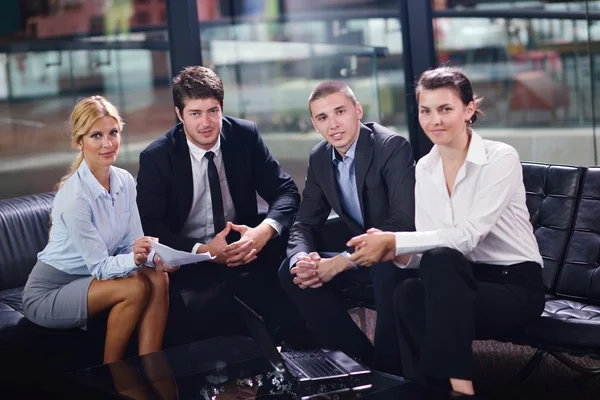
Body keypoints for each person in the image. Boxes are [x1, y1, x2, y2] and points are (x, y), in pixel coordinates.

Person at [347, 67, 545, 395]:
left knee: (441, 261)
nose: (434, 120)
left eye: (445, 109)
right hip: (453, 284)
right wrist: (391, 250)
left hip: (513, 287)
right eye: (426, 111)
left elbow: (467, 237)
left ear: (469, 110)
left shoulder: (500, 158)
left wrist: (394, 239)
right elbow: (430, 244)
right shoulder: (425, 167)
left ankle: (461, 389)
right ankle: (426, 390)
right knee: (407, 294)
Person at [136, 66, 301, 344]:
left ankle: (306, 365)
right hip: (189, 258)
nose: (206, 123)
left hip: (244, 250)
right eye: (195, 113)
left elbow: (286, 191)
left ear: (222, 107)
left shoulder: (244, 136)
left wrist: (261, 233)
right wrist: (205, 251)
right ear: (179, 114)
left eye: (213, 111)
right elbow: (150, 225)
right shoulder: (157, 157)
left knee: (293, 260)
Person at [22, 96, 177, 364]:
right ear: (79, 142)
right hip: (50, 292)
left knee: (157, 276)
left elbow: (133, 242)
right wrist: (138, 258)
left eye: (113, 133)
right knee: (135, 287)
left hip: (91, 280)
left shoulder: (125, 180)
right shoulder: (75, 197)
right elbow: (101, 267)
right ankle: (113, 375)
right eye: (96, 135)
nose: (108, 143)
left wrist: (158, 257)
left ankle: (153, 365)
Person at [278, 81, 416, 375]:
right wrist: (302, 258)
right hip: (363, 258)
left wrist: (340, 262)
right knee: (290, 273)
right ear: (315, 124)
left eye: (340, 111)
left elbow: (402, 223)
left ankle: (391, 373)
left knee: (383, 263)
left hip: (404, 256)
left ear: (357, 111)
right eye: (323, 117)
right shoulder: (320, 157)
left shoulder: (391, 147)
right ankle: (357, 359)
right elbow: (305, 222)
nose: (334, 124)